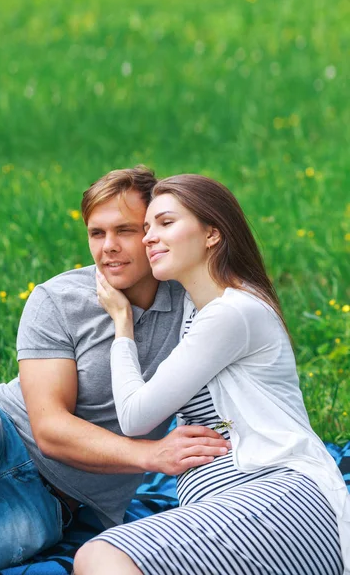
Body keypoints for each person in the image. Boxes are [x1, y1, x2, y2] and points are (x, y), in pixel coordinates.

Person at [0, 167, 230, 575]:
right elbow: (49, 430)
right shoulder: (59, 299)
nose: (108, 247)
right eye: (97, 233)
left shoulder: (194, 307)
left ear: (153, 231)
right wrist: (153, 455)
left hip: (53, 502)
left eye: (125, 231)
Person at [74, 174, 350, 575]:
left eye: (166, 223)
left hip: (281, 495)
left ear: (212, 234)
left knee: (101, 556)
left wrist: (122, 324)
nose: (149, 237)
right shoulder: (198, 307)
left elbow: (134, 417)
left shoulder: (231, 313)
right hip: (231, 508)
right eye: (147, 227)